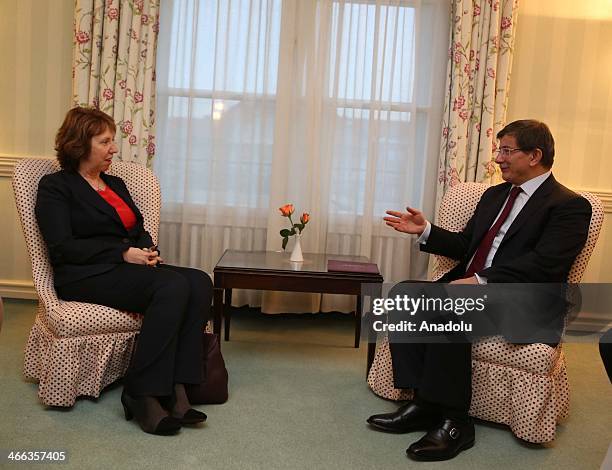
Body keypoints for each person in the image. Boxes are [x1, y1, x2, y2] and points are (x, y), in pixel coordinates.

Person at [367, 120, 592, 461]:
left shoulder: (568, 205)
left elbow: (547, 265)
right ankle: (424, 404)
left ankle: (456, 422)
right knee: (404, 295)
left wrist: (481, 282)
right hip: (473, 287)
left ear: (534, 155)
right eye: (498, 150)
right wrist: (427, 230)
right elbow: (466, 246)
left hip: (523, 298)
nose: (498, 159)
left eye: (506, 150)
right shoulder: (494, 195)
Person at [35, 106, 213, 435]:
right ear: (79, 144)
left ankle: (178, 385)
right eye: (105, 142)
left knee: (200, 282)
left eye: (112, 141)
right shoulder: (56, 187)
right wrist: (121, 253)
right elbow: (62, 246)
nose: (114, 149)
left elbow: (137, 228)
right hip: (85, 274)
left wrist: (147, 249)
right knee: (171, 287)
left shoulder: (115, 183)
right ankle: (142, 393)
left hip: (123, 266)